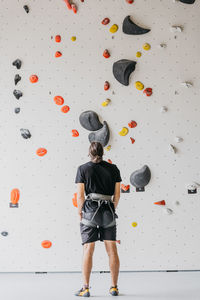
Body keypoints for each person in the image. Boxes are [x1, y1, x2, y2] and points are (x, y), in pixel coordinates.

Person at [74, 141, 122, 297]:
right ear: (103, 153)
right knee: (112, 250)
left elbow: (80, 196)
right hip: (108, 211)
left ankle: (86, 288)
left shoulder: (82, 169)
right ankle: (114, 287)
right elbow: (117, 195)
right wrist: (111, 208)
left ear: (89, 152)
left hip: (89, 212)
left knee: (88, 249)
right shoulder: (113, 169)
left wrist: (80, 212)